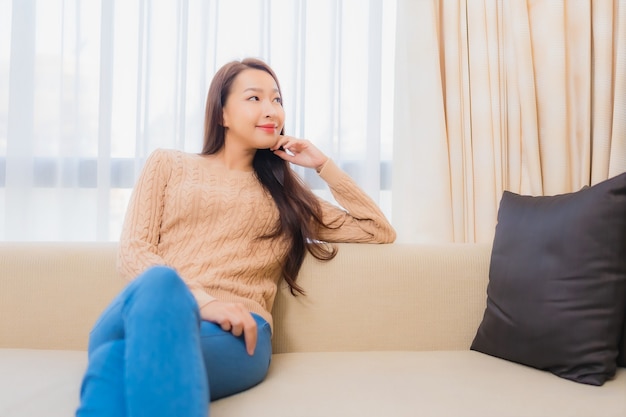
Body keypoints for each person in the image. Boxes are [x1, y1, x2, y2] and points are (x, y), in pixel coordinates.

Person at [75, 57, 396, 417]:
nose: (271, 109)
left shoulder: (289, 197)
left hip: (235, 333)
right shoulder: (167, 164)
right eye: (254, 98)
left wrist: (324, 165)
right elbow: (134, 250)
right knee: (162, 282)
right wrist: (204, 302)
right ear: (221, 114)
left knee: (112, 361)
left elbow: (377, 229)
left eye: (277, 99)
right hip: (149, 311)